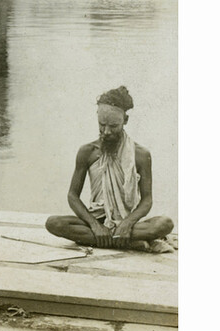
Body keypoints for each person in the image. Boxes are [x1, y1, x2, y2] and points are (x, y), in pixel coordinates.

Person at [45, 86, 175, 252]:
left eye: (113, 126)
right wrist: (95, 225)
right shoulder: (87, 151)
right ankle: (126, 241)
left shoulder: (141, 154)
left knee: (165, 224)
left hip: (128, 221)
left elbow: (147, 200)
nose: (106, 132)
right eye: (102, 125)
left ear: (125, 120)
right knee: (54, 223)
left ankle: (109, 238)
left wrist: (127, 223)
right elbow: (72, 196)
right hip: (96, 219)